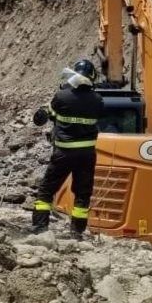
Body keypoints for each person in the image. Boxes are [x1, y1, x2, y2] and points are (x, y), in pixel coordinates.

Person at [30, 59, 105, 237]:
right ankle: (77, 232)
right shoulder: (98, 100)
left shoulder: (62, 96)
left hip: (63, 153)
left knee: (47, 190)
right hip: (87, 155)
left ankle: (40, 228)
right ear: (92, 77)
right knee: (82, 193)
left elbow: (42, 117)